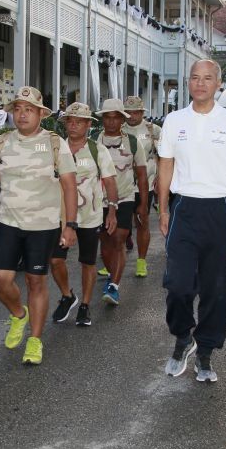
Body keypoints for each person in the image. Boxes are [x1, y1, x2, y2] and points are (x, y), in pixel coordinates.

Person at [158, 59, 226, 383]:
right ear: (188, 82)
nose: (200, 83)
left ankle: (205, 352)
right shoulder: (174, 121)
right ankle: (183, 336)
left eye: (208, 78)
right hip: (184, 208)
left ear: (218, 85)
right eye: (195, 78)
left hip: (221, 211)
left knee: (216, 288)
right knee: (178, 283)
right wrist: (162, 209)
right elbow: (165, 167)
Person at [0, 86, 78, 365]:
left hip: (43, 225)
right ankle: (19, 314)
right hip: (9, 221)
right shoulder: (2, 142)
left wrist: (70, 225)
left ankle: (35, 340)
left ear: (40, 114)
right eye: (18, 109)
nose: (22, 114)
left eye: (28, 109)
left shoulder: (55, 143)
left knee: (35, 281)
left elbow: (69, 185)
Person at [50, 102, 119, 326]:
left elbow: (109, 181)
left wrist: (112, 211)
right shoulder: (56, 148)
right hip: (60, 217)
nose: (74, 125)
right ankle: (68, 296)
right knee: (55, 260)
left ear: (89, 125)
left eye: (79, 121)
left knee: (87, 262)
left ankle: (85, 305)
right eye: (70, 120)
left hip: (90, 216)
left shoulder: (97, 150)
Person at [95, 98, 148, 306]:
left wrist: (142, 204)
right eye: (107, 118)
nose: (110, 122)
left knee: (118, 239)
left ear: (121, 119)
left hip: (125, 197)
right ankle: (111, 275)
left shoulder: (133, 142)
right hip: (98, 201)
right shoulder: (93, 141)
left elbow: (142, 175)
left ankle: (114, 286)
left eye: (115, 117)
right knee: (106, 242)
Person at [122, 95, 161, 278]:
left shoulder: (153, 130)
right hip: (121, 185)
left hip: (145, 185)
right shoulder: (117, 129)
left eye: (135, 112)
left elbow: (163, 157)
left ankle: (141, 261)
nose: (131, 116)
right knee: (117, 226)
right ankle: (113, 259)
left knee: (142, 222)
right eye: (128, 112)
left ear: (141, 112)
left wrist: (161, 180)